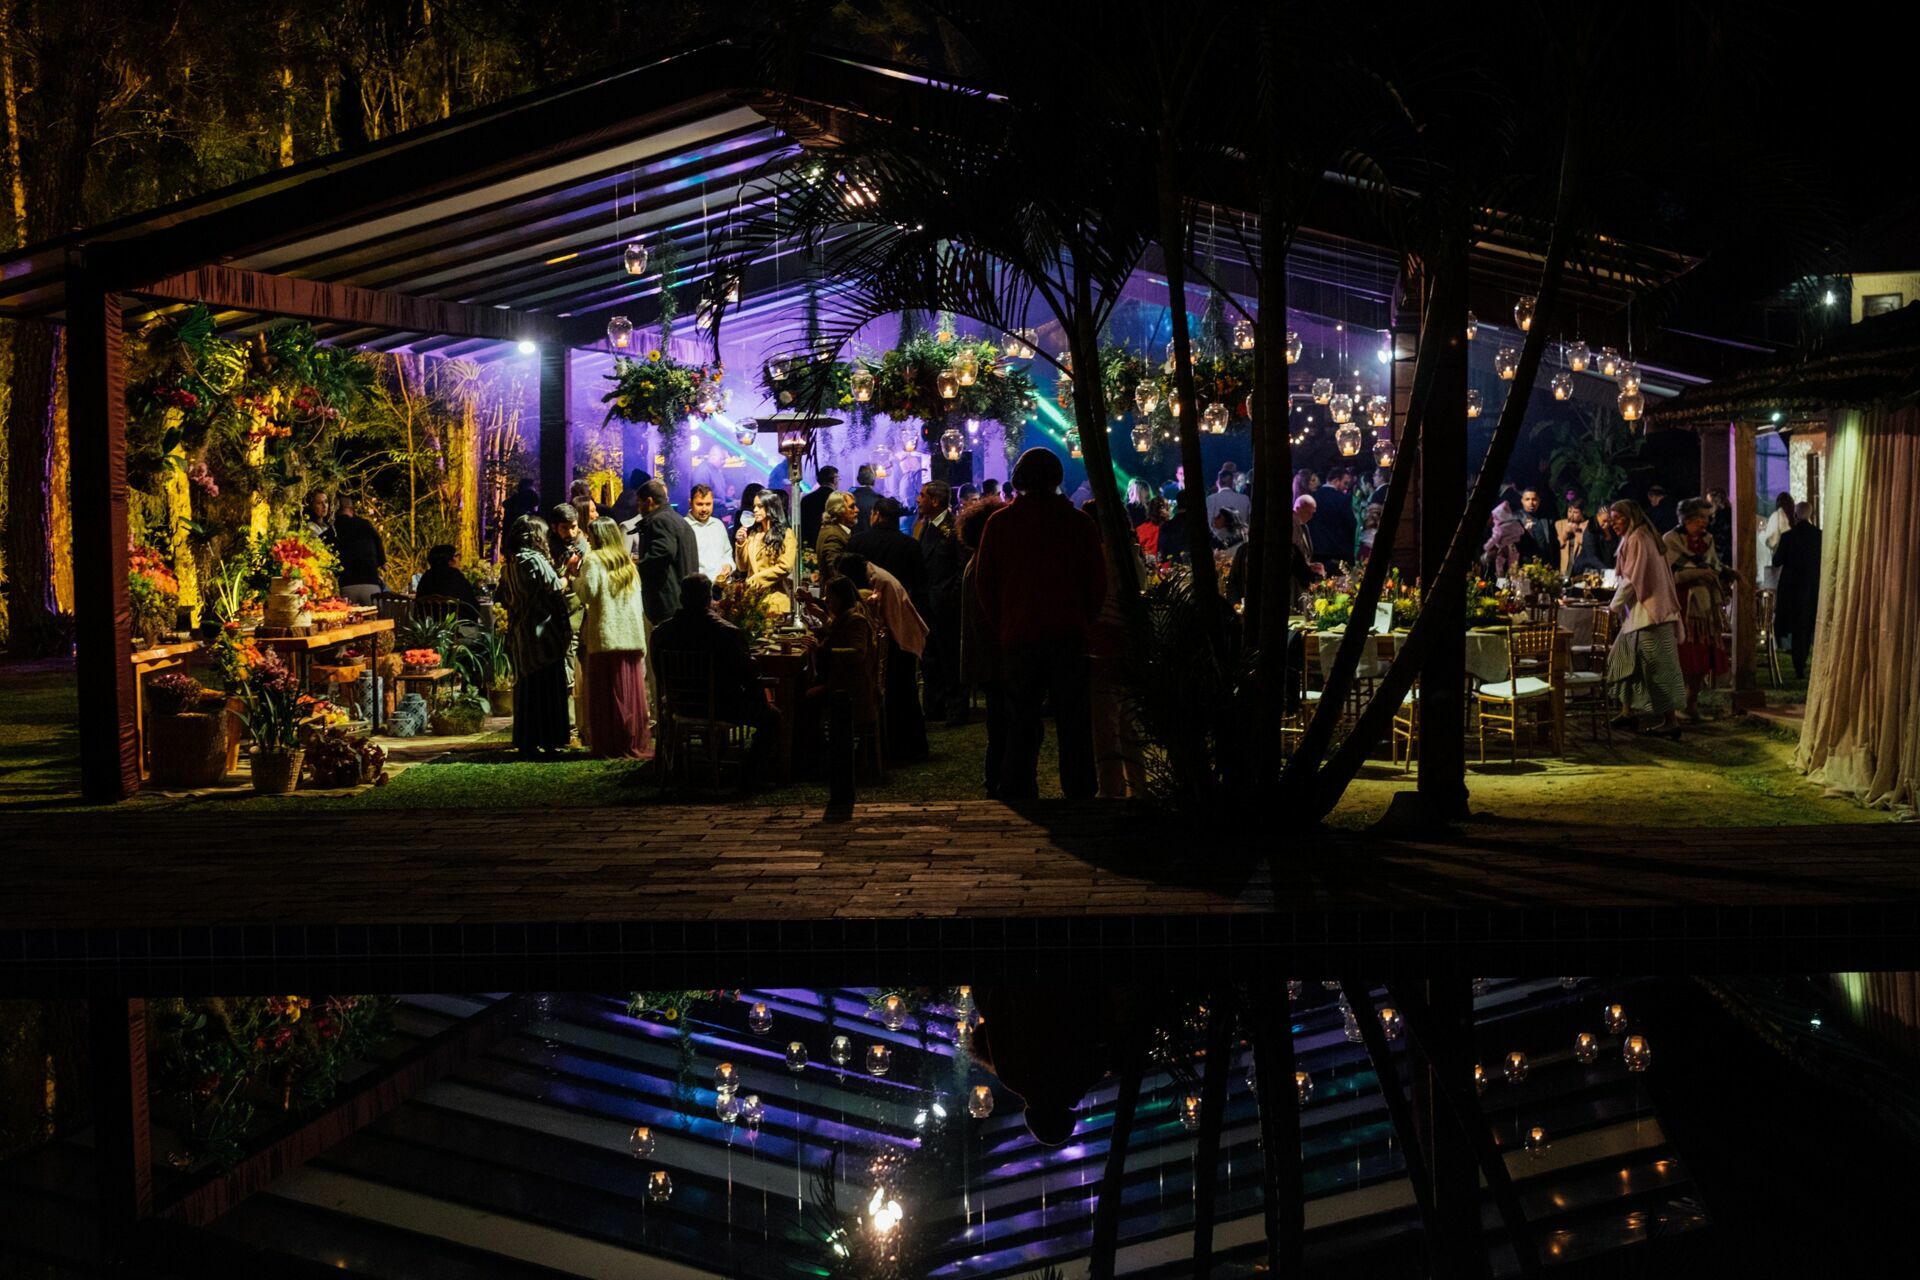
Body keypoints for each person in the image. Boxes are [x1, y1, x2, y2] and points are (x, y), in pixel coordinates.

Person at [973, 447, 1106, 799]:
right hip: (1068, 633)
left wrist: (1002, 622)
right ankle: (1079, 788)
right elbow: (1097, 582)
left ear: (1018, 479)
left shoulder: (1000, 523)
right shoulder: (1079, 523)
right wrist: (1085, 620)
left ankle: (1018, 786)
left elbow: (985, 583)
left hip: (1019, 634)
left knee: (1020, 718)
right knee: (1073, 719)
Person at [649, 574, 779, 782]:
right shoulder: (726, 632)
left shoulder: (661, 633)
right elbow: (748, 674)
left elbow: (660, 675)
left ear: (681, 599)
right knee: (772, 716)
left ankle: (690, 766)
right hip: (723, 706)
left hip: (681, 705)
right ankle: (750, 774)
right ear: (708, 599)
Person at [572, 518, 652, 759]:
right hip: (630, 635)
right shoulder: (627, 563)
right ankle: (630, 740)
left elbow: (589, 592)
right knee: (628, 693)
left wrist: (575, 578)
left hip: (606, 636)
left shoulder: (594, 560)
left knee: (606, 694)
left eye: (590, 536)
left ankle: (610, 743)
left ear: (597, 537)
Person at [1606, 499, 1687, 737]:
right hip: (1639, 616)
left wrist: (1613, 607)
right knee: (1622, 658)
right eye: (1611, 519)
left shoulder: (1638, 538)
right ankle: (1627, 712)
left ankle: (1671, 721)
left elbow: (1631, 579)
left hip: (1652, 614)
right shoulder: (1637, 537)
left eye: (1617, 519)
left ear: (1630, 517)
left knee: (1659, 668)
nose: (1613, 524)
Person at [840, 552, 930, 762]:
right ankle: (905, 747)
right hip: (901, 636)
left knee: (903, 695)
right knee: (903, 695)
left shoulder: (878, 581)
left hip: (901, 638)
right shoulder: (874, 574)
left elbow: (883, 617)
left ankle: (908, 748)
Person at [499, 515, 573, 757]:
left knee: (528, 686)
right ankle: (550, 738)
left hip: (521, 631)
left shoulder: (510, 563)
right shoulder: (533, 559)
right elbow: (554, 586)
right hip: (542, 632)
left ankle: (527, 739)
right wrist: (568, 575)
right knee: (547, 685)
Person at [957, 499, 1010, 795]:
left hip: (988, 660)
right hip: (996, 659)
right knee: (1003, 724)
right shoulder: (983, 565)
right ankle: (999, 781)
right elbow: (986, 618)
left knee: (999, 724)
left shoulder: (977, 561)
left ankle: (997, 780)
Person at [1663, 496, 1732, 720]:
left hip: (1703, 607)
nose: (1705, 522)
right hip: (1682, 605)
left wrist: (1728, 573)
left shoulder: (1707, 539)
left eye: (1707, 517)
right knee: (1684, 656)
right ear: (1687, 518)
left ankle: (1691, 703)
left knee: (1702, 655)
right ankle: (1676, 704)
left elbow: (1714, 565)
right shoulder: (1671, 540)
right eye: (1701, 517)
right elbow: (1669, 575)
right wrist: (1698, 573)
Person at [913, 480, 967, 724]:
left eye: (922, 495)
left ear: (935, 501)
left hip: (946, 604)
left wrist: (952, 596)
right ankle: (934, 707)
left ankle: (956, 708)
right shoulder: (924, 526)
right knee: (930, 658)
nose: (918, 500)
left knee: (950, 659)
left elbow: (962, 567)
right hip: (927, 603)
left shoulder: (954, 528)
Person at [629, 480, 698, 627]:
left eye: (639, 502)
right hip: (683, 600)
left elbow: (663, 552)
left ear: (649, 501)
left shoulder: (659, 520)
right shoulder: (678, 520)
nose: (638, 508)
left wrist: (636, 566)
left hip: (668, 603)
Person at [849, 496, 928, 613]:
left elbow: (849, 578)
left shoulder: (856, 541)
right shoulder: (911, 545)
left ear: (877, 515)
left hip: (864, 609)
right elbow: (919, 585)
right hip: (898, 609)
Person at [1772, 502, 1822, 679]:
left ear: (1795, 515)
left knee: (1796, 626)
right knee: (1806, 625)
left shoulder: (1788, 537)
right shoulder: (1819, 536)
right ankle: (1803, 660)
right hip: (1812, 586)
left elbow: (1777, 561)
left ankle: (1798, 663)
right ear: (1811, 515)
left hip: (1791, 588)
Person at [741, 489, 799, 614]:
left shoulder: (786, 534)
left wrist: (757, 579)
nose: (755, 510)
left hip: (774, 600)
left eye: (759, 506)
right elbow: (742, 567)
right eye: (754, 506)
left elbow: (785, 566)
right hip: (752, 600)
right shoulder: (754, 534)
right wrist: (741, 544)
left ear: (770, 507)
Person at [331, 495, 387, 604]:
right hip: (370, 583)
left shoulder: (334, 529)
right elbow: (378, 542)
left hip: (347, 585)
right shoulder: (365, 525)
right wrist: (382, 562)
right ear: (351, 509)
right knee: (374, 614)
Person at [413, 544, 483, 620]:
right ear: (450, 560)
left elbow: (418, 607)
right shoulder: (455, 576)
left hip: (429, 625)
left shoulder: (426, 577)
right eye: (456, 556)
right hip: (456, 624)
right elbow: (472, 605)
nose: (458, 559)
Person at [685, 483, 734, 583]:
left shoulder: (718, 525)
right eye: (700, 504)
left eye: (708, 504)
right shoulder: (684, 527)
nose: (704, 509)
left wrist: (729, 565)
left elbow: (727, 553)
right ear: (690, 503)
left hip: (723, 586)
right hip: (699, 588)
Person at [1309, 468, 1358, 565]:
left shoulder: (1313, 496)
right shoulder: (1343, 499)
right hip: (1338, 551)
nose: (1346, 487)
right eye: (1345, 483)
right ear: (1336, 481)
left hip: (1316, 550)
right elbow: (1351, 524)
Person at [817, 490, 857, 581]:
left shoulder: (833, 531)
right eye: (852, 507)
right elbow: (835, 570)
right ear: (839, 511)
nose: (857, 510)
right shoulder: (833, 535)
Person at [799, 464, 840, 550]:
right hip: (830, 543)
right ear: (834, 480)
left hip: (809, 545)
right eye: (838, 479)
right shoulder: (837, 500)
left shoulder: (806, 499)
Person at [1760, 491, 1794, 590]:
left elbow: (1772, 542)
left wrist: (1762, 534)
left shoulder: (1776, 516)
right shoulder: (1794, 518)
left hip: (1778, 564)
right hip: (1792, 565)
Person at [1516, 488, 1557, 566]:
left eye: (1534, 499)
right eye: (1527, 499)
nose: (1531, 503)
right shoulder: (1516, 518)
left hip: (1545, 564)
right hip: (1524, 565)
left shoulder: (1547, 519)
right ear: (1522, 501)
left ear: (1539, 501)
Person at [1555, 500, 1594, 577]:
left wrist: (1576, 531)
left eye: (1575, 512)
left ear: (1582, 513)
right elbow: (1557, 545)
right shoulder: (1559, 524)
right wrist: (1565, 533)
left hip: (1579, 568)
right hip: (1564, 568)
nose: (1571, 515)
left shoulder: (1588, 525)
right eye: (1569, 511)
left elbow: (1587, 545)